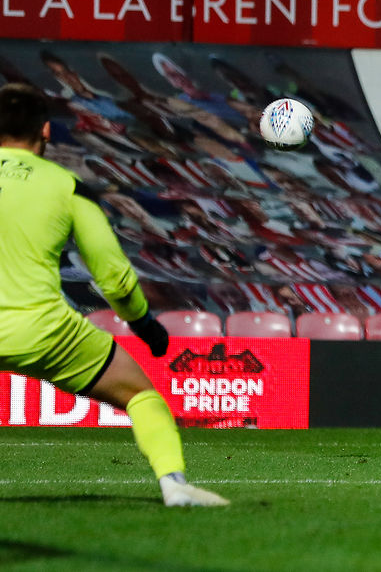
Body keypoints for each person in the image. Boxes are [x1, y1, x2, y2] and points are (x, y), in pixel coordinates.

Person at [0, 83, 227, 506]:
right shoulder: (66, 186)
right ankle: (175, 485)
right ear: (45, 130)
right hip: (43, 332)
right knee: (141, 396)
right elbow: (114, 276)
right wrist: (144, 324)